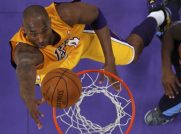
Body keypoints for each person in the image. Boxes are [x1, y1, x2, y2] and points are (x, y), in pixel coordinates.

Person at [10, 0, 170, 129]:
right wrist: (29, 98)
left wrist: (110, 61)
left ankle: (158, 15)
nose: (40, 39)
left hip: (80, 41)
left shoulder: (66, 14)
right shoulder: (26, 52)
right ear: (24, 31)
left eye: (44, 30)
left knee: (132, 55)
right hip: (50, 66)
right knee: (46, 85)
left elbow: (96, 15)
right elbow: (24, 71)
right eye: (33, 34)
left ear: (51, 22)